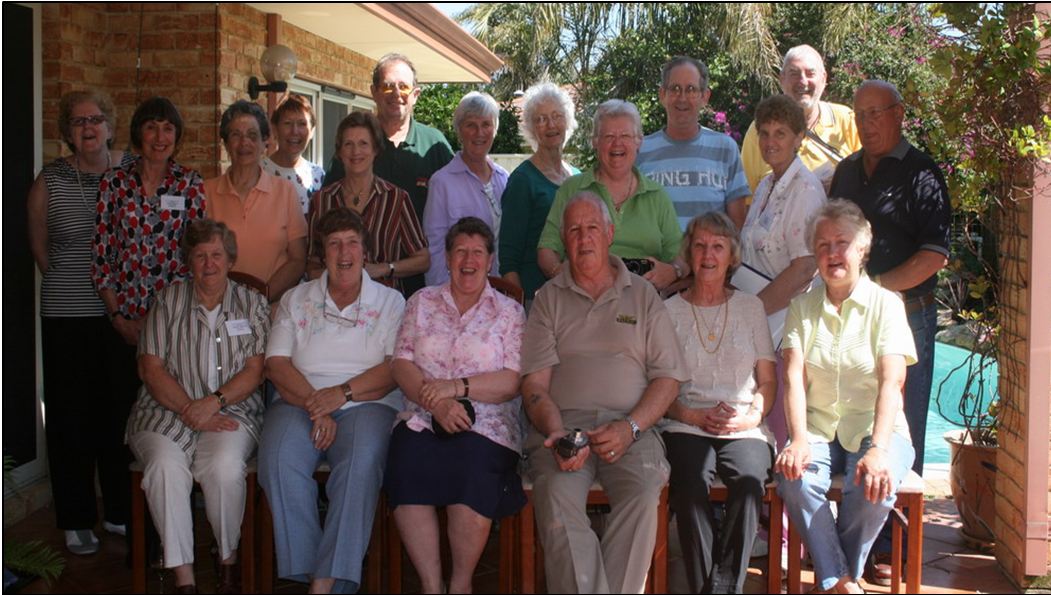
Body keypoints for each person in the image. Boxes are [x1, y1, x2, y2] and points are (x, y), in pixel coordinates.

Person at [521, 192, 689, 593]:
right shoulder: (547, 300)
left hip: (632, 429)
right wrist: (557, 433)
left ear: (610, 233)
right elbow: (534, 387)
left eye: (592, 228)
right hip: (564, 430)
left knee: (645, 491)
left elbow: (668, 378)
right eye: (574, 230)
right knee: (557, 500)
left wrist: (630, 427)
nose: (584, 238)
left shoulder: (644, 295)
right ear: (563, 239)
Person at [829, 79, 951, 584]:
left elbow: (934, 255)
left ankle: (888, 547)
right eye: (860, 115)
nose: (867, 123)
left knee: (901, 428)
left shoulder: (923, 173)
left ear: (899, 114)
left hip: (907, 315)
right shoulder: (847, 172)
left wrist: (875, 287)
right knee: (845, 413)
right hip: (847, 320)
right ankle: (850, 535)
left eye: (876, 113)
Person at [258, 207, 406, 594]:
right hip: (298, 399)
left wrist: (340, 394)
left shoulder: (391, 302)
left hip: (368, 403)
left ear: (364, 251)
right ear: (322, 254)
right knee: (277, 458)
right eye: (334, 244)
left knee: (359, 464)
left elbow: (395, 368)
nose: (344, 253)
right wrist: (315, 403)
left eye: (352, 243)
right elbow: (275, 364)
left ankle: (325, 583)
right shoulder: (296, 298)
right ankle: (311, 569)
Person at [775, 199, 917, 595]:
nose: (832, 253)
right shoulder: (801, 308)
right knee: (793, 477)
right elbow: (791, 378)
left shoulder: (887, 306)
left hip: (878, 427)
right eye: (823, 245)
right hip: (819, 428)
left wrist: (878, 449)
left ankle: (834, 579)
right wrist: (799, 439)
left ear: (861, 249)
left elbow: (892, 383)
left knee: (876, 484)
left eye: (842, 242)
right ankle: (842, 583)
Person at [385, 217, 526, 594]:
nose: (468, 260)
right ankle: (432, 586)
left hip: (488, 424)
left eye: (477, 252)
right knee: (405, 463)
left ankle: (461, 584)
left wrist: (456, 389)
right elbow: (401, 363)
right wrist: (436, 404)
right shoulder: (421, 302)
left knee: (472, 472)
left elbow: (513, 380)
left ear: (489, 260)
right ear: (446, 258)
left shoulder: (509, 312)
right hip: (422, 414)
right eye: (460, 251)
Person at [128, 220, 269, 594]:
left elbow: (256, 370)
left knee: (223, 467)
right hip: (165, 411)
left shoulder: (252, 303)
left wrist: (213, 403)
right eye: (200, 255)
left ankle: (227, 559)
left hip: (232, 410)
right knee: (163, 467)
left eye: (217, 255)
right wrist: (191, 408)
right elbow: (151, 368)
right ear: (188, 261)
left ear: (230, 258)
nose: (209, 263)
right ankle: (184, 577)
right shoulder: (167, 299)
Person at [28, 90, 135, 555]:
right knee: (71, 419)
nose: (88, 127)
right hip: (67, 314)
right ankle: (74, 518)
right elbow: (40, 247)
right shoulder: (49, 180)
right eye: (77, 122)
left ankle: (117, 512)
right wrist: (74, 285)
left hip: (123, 319)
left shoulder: (131, 171)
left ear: (110, 125)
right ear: (67, 132)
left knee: (119, 415)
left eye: (96, 119)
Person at [661, 211, 777, 594]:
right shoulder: (668, 312)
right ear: (689, 254)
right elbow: (659, 387)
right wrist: (691, 414)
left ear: (732, 256)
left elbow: (767, 380)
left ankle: (721, 587)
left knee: (747, 484)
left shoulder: (750, 308)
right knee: (691, 484)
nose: (708, 255)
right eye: (699, 246)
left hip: (743, 422)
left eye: (718, 246)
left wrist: (751, 417)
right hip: (685, 421)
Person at [324, 53, 453, 296]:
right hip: (353, 283)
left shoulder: (434, 145)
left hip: (421, 284)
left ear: (416, 94)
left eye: (403, 86)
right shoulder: (356, 147)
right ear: (374, 92)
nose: (396, 94)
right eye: (387, 86)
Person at [739, 94, 825, 445]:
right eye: (765, 133)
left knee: (777, 425)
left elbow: (805, 268)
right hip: (760, 318)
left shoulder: (805, 190)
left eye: (781, 133)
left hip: (784, 325)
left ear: (799, 138)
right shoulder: (765, 186)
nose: (771, 142)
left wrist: (752, 312)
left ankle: (776, 499)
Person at [537, 100, 685, 292]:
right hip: (583, 297)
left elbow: (680, 254)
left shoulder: (657, 196)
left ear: (638, 141)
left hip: (642, 301)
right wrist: (559, 274)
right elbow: (547, 248)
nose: (617, 143)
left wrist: (673, 271)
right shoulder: (572, 190)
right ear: (595, 142)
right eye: (608, 136)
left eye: (625, 135)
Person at [307, 111, 429, 297]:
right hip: (331, 304)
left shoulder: (396, 199)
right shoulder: (322, 200)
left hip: (384, 304)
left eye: (363, 144)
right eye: (348, 144)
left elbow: (423, 260)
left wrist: (385, 268)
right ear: (339, 152)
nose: (356, 152)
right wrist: (338, 276)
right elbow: (312, 263)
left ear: (376, 149)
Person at [205, 100, 308, 304]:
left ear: (264, 143)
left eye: (253, 136)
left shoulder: (285, 192)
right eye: (236, 135)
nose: (244, 143)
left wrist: (261, 297)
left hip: (272, 308)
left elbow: (298, 260)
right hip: (219, 307)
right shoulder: (205, 192)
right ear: (225, 143)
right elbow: (198, 257)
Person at [637, 56, 751, 230]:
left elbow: (737, 227)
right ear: (662, 95)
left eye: (691, 89)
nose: (682, 98)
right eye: (675, 89)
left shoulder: (725, 150)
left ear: (704, 96)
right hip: (656, 258)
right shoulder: (640, 151)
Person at [498, 82, 579, 304]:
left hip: (579, 300)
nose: (550, 125)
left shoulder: (579, 178)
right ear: (532, 129)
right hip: (537, 301)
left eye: (556, 116)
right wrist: (518, 309)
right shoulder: (523, 181)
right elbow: (509, 259)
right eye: (541, 119)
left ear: (568, 121)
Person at [741, 45, 862, 193]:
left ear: (824, 79)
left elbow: (867, 180)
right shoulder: (759, 130)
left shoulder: (846, 120)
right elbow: (746, 200)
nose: (803, 81)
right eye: (794, 73)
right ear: (782, 79)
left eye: (810, 73)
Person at [422, 92, 508, 286]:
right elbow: (435, 250)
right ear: (459, 130)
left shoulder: (504, 179)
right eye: (471, 125)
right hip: (459, 294)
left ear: (495, 129)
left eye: (486, 124)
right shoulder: (441, 182)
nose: (479, 133)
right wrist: (443, 301)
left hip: (499, 294)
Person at [261, 94, 325, 214]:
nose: (294, 131)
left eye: (302, 124)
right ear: (275, 129)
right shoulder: (259, 172)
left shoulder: (318, 176)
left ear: (312, 131)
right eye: (287, 123)